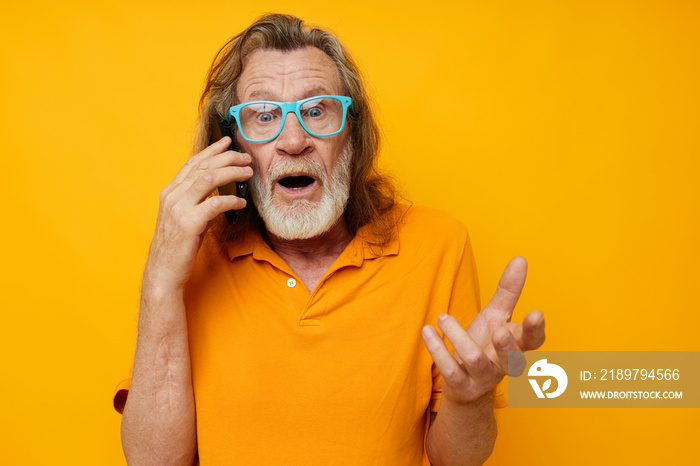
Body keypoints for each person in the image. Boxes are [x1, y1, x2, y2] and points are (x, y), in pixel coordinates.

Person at [114, 13, 546, 465]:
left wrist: (469, 398)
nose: (294, 140)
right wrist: (161, 282)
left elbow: (456, 461)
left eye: (317, 110)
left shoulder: (438, 244)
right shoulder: (192, 254)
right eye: (264, 115)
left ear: (353, 137)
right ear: (232, 143)